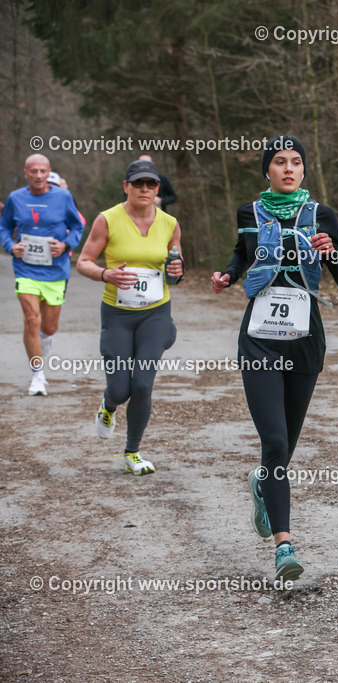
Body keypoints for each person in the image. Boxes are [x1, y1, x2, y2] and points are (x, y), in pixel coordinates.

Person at [211, 135, 338, 581]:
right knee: (274, 442)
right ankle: (284, 547)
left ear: (304, 170)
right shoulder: (249, 213)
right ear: (267, 170)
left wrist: (333, 253)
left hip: (304, 339)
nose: (288, 168)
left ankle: (262, 484)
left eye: (296, 162)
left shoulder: (322, 215)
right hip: (259, 339)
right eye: (279, 161)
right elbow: (242, 253)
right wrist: (227, 275)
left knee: (285, 446)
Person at [76, 160, 183, 475]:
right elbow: (83, 261)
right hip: (118, 315)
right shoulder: (107, 220)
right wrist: (106, 274)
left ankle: (132, 452)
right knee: (121, 389)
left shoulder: (170, 223)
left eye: (151, 184)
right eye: (138, 183)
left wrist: (178, 271)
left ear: (157, 188)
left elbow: (176, 269)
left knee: (143, 384)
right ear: (126, 186)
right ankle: (108, 406)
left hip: (156, 312)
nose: (144, 189)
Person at [0, 154, 84, 396]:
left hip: (55, 270)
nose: (38, 176)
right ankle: (37, 375)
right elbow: (4, 227)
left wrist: (65, 245)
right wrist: (10, 246)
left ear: (49, 172)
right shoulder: (16, 198)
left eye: (42, 171)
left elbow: (77, 226)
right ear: (26, 172)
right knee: (31, 320)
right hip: (26, 269)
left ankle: (43, 341)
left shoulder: (63, 196)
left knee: (48, 327)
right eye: (33, 171)